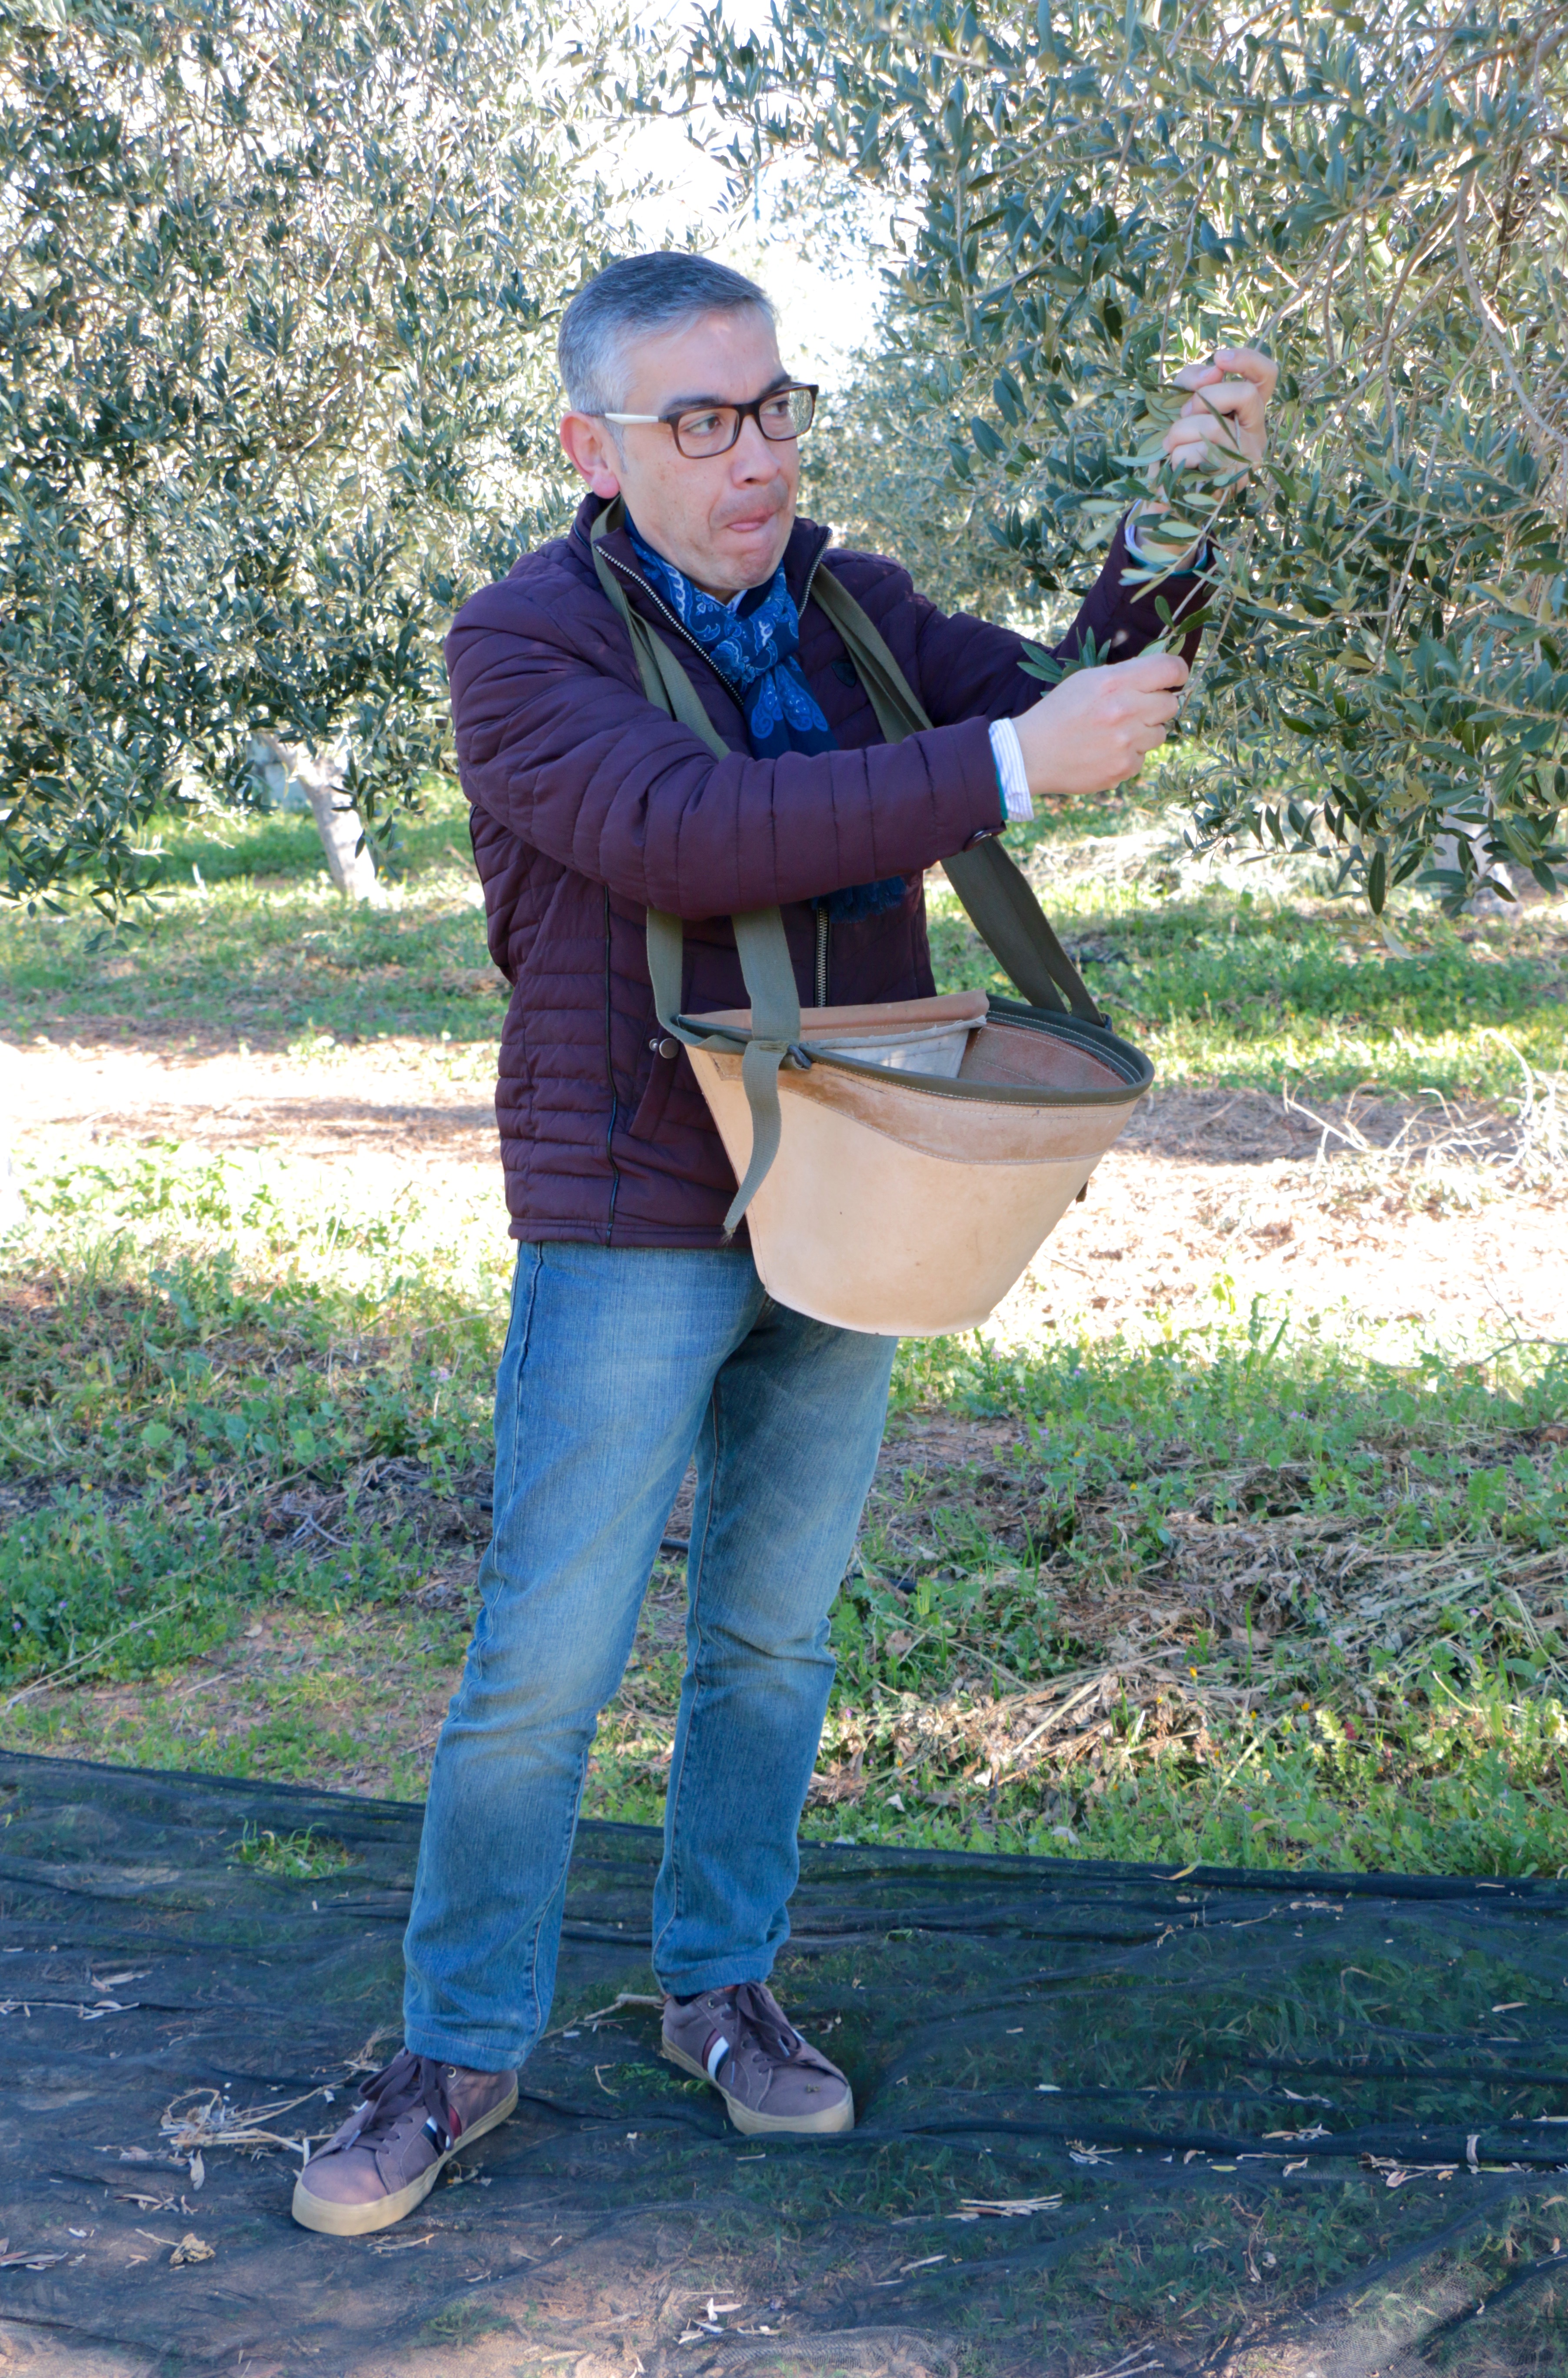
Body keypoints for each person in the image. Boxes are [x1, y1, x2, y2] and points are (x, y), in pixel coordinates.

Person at [291, 251, 1277, 2236]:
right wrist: (1011, 766)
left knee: (772, 1637)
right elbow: (691, 830)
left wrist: (1186, 501)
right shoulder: (524, 643)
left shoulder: (849, 606)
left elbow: (1075, 694)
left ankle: (720, 1988)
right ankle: (457, 2049)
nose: (757, 456)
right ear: (594, 450)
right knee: (542, 1665)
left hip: (855, 1177)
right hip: (636, 1204)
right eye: (702, 422)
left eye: (772, 408)